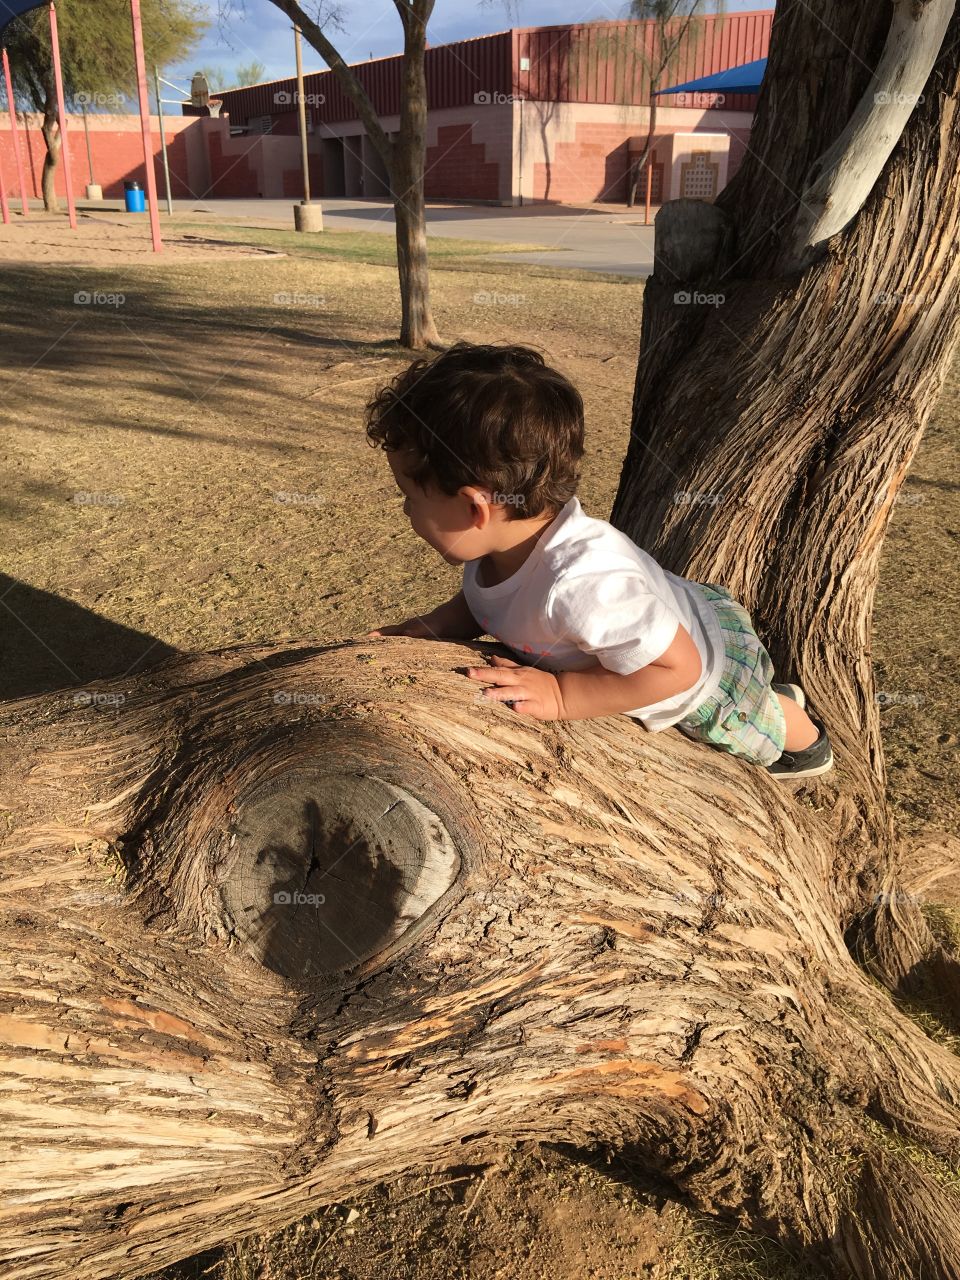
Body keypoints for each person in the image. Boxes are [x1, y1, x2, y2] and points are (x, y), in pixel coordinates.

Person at [364, 341, 833, 781]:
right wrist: (431, 626)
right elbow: (487, 599)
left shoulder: (581, 583)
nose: (406, 510)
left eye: (410, 497)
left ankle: (805, 736)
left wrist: (565, 695)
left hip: (708, 672)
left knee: (762, 729)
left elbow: (679, 670)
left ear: (474, 509)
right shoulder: (502, 544)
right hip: (656, 621)